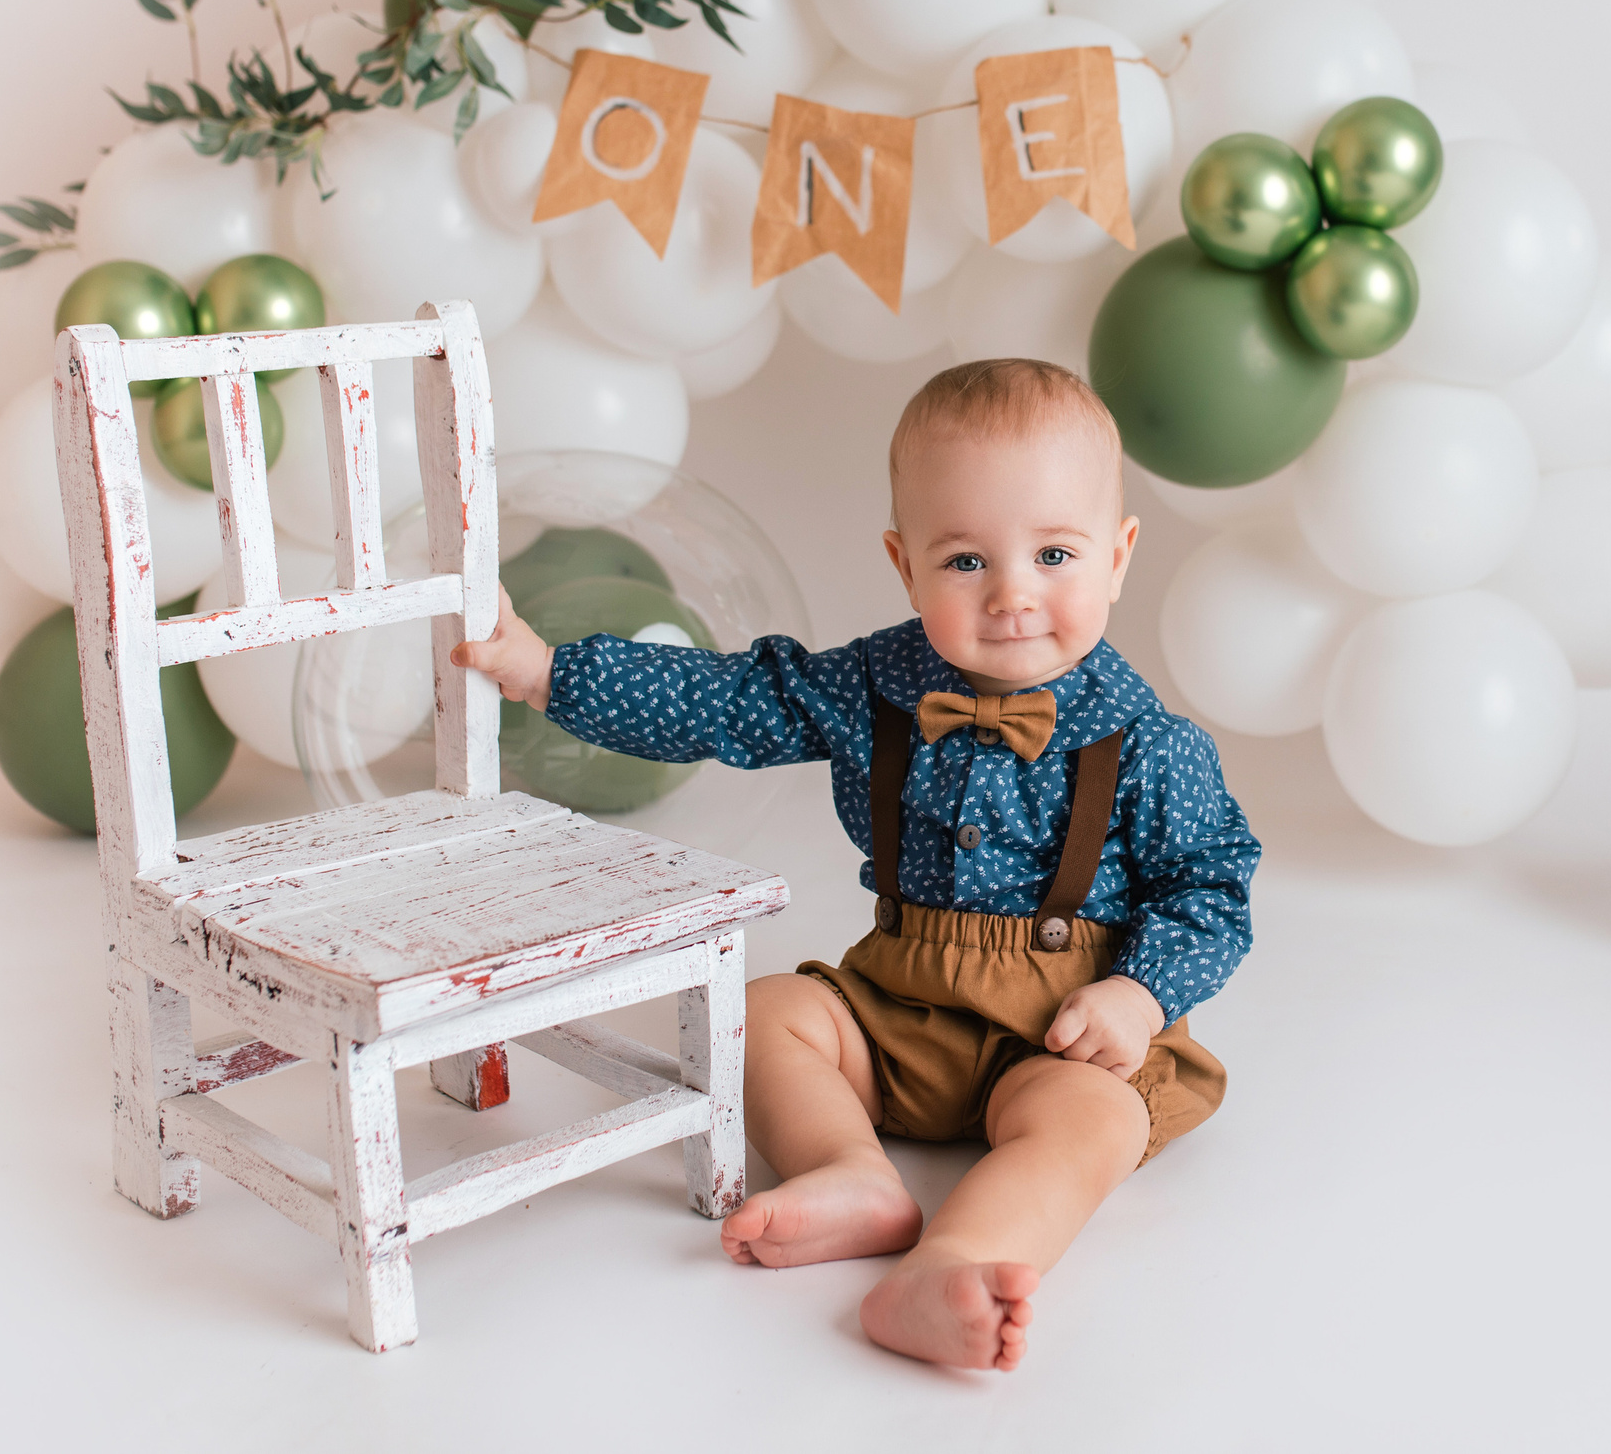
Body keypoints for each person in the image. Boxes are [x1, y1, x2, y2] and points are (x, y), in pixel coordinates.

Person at [452, 357, 1258, 1371]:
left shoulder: (1150, 744)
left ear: (1120, 555)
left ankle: (955, 1265)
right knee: (766, 1013)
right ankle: (850, 1173)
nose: (1013, 594)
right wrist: (548, 673)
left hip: (1061, 1030)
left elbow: (1211, 890)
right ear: (903, 563)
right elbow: (730, 701)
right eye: (966, 561)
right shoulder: (873, 685)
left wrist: (1141, 996)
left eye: (1055, 553)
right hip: (898, 1007)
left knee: (1090, 1124)